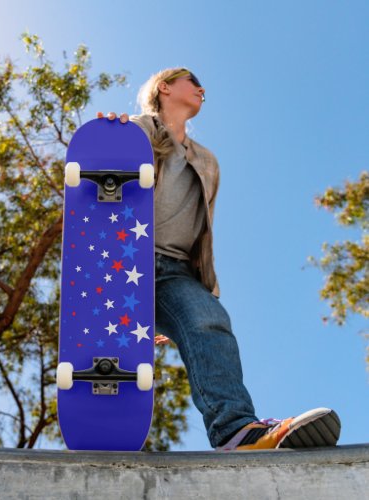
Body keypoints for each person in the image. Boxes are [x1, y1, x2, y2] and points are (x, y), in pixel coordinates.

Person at [97, 67, 341, 451]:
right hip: (124, 264)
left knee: (209, 320)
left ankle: (236, 432)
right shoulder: (134, 130)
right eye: (192, 82)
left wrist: (190, 299)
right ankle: (101, 425)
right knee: (114, 353)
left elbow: (201, 230)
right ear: (164, 87)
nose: (201, 89)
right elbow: (97, 175)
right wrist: (108, 136)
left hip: (175, 271)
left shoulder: (207, 161)